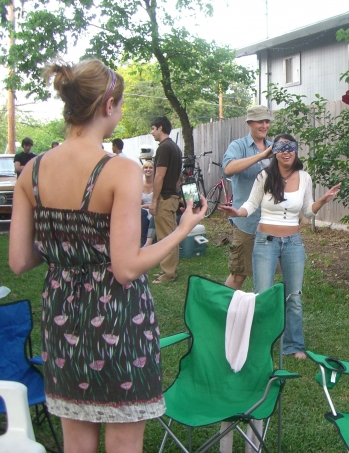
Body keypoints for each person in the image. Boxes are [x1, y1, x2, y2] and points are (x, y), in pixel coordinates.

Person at [8, 59, 207, 453]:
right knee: (123, 443)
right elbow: (126, 267)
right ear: (108, 105)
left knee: (77, 443)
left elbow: (19, 261)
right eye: (120, 103)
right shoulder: (120, 170)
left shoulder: (31, 172)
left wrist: (65, 244)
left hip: (62, 320)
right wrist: (182, 229)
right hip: (119, 319)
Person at [219, 134, 341, 359]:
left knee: (294, 296)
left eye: (290, 147)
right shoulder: (264, 176)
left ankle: (294, 345)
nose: (286, 152)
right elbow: (251, 204)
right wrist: (238, 212)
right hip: (265, 241)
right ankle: (261, 343)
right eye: (281, 148)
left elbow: (307, 212)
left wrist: (323, 201)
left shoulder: (304, 177)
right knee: (263, 295)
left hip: (293, 242)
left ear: (296, 150)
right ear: (274, 152)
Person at [222, 105, 274, 290]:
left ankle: (260, 306)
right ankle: (221, 305)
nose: (264, 125)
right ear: (249, 123)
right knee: (239, 274)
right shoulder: (238, 146)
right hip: (246, 222)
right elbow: (228, 168)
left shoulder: (274, 147)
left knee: (268, 273)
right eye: (260, 121)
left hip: (271, 222)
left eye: (267, 121)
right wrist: (261, 156)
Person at [149, 116, 182, 284]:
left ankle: (168, 274)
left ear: (160, 128)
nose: (152, 132)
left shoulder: (164, 148)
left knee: (165, 237)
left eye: (153, 129)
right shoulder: (175, 147)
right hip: (173, 196)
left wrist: (154, 201)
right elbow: (178, 178)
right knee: (170, 235)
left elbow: (159, 176)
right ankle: (168, 269)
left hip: (165, 198)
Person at [141, 161, 154, 246]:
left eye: (150, 167)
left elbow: (157, 203)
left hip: (154, 208)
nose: (148, 169)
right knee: (142, 214)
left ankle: (149, 243)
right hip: (143, 210)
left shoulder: (157, 183)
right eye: (146, 167)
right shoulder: (140, 183)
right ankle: (143, 244)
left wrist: (142, 205)